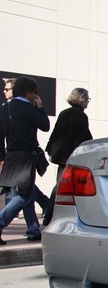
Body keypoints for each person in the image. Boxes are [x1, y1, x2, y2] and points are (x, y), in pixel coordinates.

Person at [0, 77, 50, 244]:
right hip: (26, 157)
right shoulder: (28, 108)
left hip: (11, 156)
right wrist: (41, 109)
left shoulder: (4, 109)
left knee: (26, 192)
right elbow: (45, 125)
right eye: (34, 93)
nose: (34, 96)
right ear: (28, 92)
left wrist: (1, 158)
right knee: (24, 195)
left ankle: (33, 229)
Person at [43, 88, 93, 226]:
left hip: (61, 156)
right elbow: (80, 138)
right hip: (72, 156)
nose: (88, 102)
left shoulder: (64, 113)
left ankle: (49, 216)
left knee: (59, 186)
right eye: (87, 99)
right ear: (82, 99)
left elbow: (55, 133)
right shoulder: (81, 116)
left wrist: (49, 148)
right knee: (65, 188)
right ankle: (51, 217)